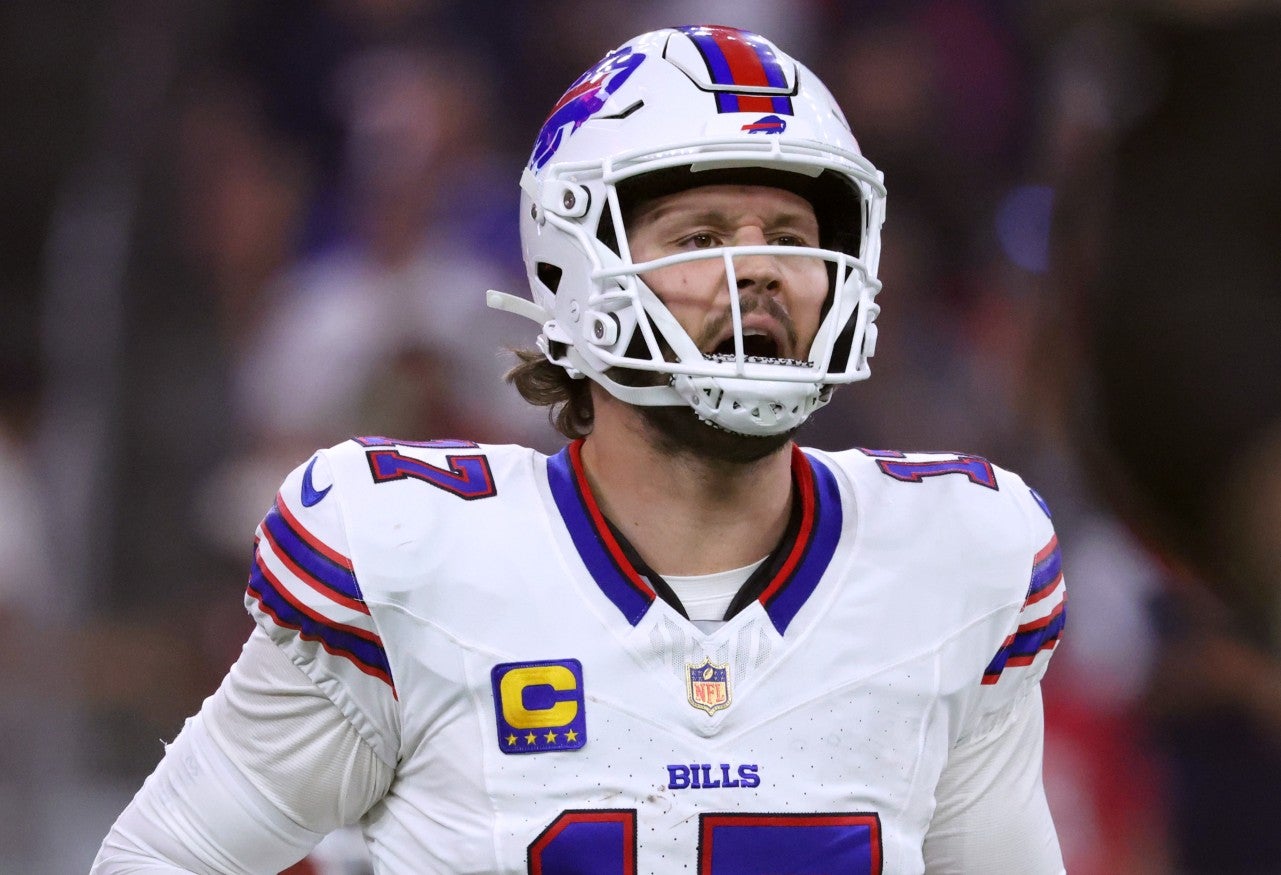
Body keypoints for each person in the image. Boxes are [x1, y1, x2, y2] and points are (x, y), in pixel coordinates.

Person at [93, 25, 1066, 874]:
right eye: (703, 233)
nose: (761, 268)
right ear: (576, 265)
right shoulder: (409, 563)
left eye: (792, 233)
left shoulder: (949, 561)